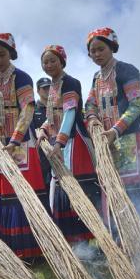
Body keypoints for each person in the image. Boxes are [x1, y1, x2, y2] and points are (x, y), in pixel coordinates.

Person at [83, 27, 140, 246]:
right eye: (93, 51)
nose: (97, 54)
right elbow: (90, 104)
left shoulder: (127, 70)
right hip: (107, 143)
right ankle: (123, 241)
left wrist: (115, 131)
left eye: (101, 49)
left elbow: (136, 104)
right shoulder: (96, 78)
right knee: (114, 192)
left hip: (130, 141)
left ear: (112, 47)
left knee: (137, 191)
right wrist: (93, 119)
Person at [0, 33, 47, 260]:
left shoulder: (22, 77)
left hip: (20, 144)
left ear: (11, 54)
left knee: (24, 194)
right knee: (5, 195)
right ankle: (11, 247)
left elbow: (27, 110)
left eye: (2, 54)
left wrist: (15, 140)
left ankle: (32, 250)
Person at [35, 45, 97, 247]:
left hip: (74, 142)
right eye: (45, 62)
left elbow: (70, 113)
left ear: (62, 61)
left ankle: (84, 241)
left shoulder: (71, 83)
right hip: (58, 142)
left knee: (77, 187)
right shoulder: (52, 87)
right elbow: (51, 116)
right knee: (62, 188)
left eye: (53, 60)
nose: (49, 65)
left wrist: (60, 141)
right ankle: (71, 240)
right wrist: (44, 129)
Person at [33, 77, 53, 195]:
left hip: (58, 149)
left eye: (49, 87)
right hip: (41, 153)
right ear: (38, 91)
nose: (48, 90)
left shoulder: (57, 106)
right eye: (44, 88)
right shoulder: (33, 109)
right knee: (44, 184)